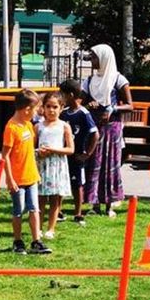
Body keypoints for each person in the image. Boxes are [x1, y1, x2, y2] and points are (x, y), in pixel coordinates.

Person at [82, 44, 133, 217]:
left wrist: (112, 109)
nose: (92, 60)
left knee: (111, 165)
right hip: (94, 127)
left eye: (95, 57)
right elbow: (80, 102)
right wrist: (89, 104)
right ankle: (94, 203)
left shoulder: (118, 80)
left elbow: (129, 105)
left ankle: (109, 204)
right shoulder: (89, 81)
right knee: (94, 164)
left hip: (112, 129)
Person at [1, 89, 52, 255]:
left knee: (34, 209)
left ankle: (36, 241)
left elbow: (28, 151)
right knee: (18, 209)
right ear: (27, 109)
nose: (38, 112)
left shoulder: (28, 125)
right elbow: (5, 157)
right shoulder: (11, 128)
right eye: (36, 109)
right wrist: (10, 179)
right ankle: (18, 241)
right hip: (17, 178)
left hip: (31, 176)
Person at [59, 79, 99, 225]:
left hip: (77, 155)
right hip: (64, 154)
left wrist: (87, 154)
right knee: (62, 182)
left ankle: (78, 212)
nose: (60, 97)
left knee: (77, 184)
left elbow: (95, 134)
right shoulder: (63, 113)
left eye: (62, 94)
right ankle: (59, 210)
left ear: (70, 95)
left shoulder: (83, 113)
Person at [36, 92, 74, 239]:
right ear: (43, 108)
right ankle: (37, 227)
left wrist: (53, 150)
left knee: (55, 200)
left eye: (55, 107)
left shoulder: (64, 126)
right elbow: (32, 147)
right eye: (48, 106)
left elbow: (70, 149)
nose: (51, 110)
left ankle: (51, 228)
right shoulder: (38, 126)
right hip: (42, 166)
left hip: (57, 166)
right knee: (40, 199)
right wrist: (39, 152)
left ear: (61, 108)